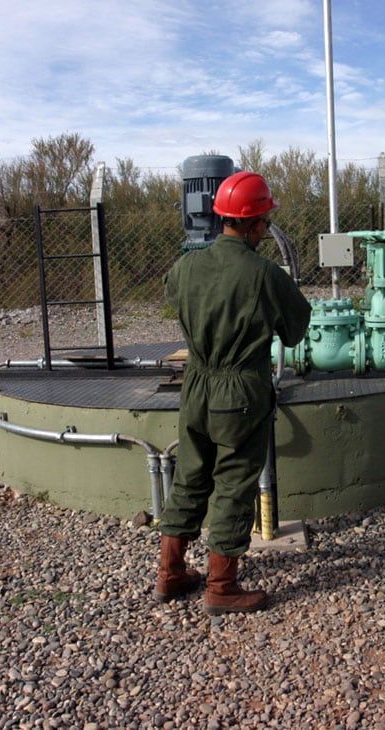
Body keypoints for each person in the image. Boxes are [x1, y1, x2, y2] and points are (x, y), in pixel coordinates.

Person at [155, 171, 311, 615]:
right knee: (234, 484)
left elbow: (173, 299)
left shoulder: (184, 267)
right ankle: (221, 588)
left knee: (189, 476)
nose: (265, 227)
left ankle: (170, 573)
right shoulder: (265, 274)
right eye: (265, 220)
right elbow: (295, 331)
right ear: (255, 223)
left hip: (196, 385)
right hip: (240, 390)